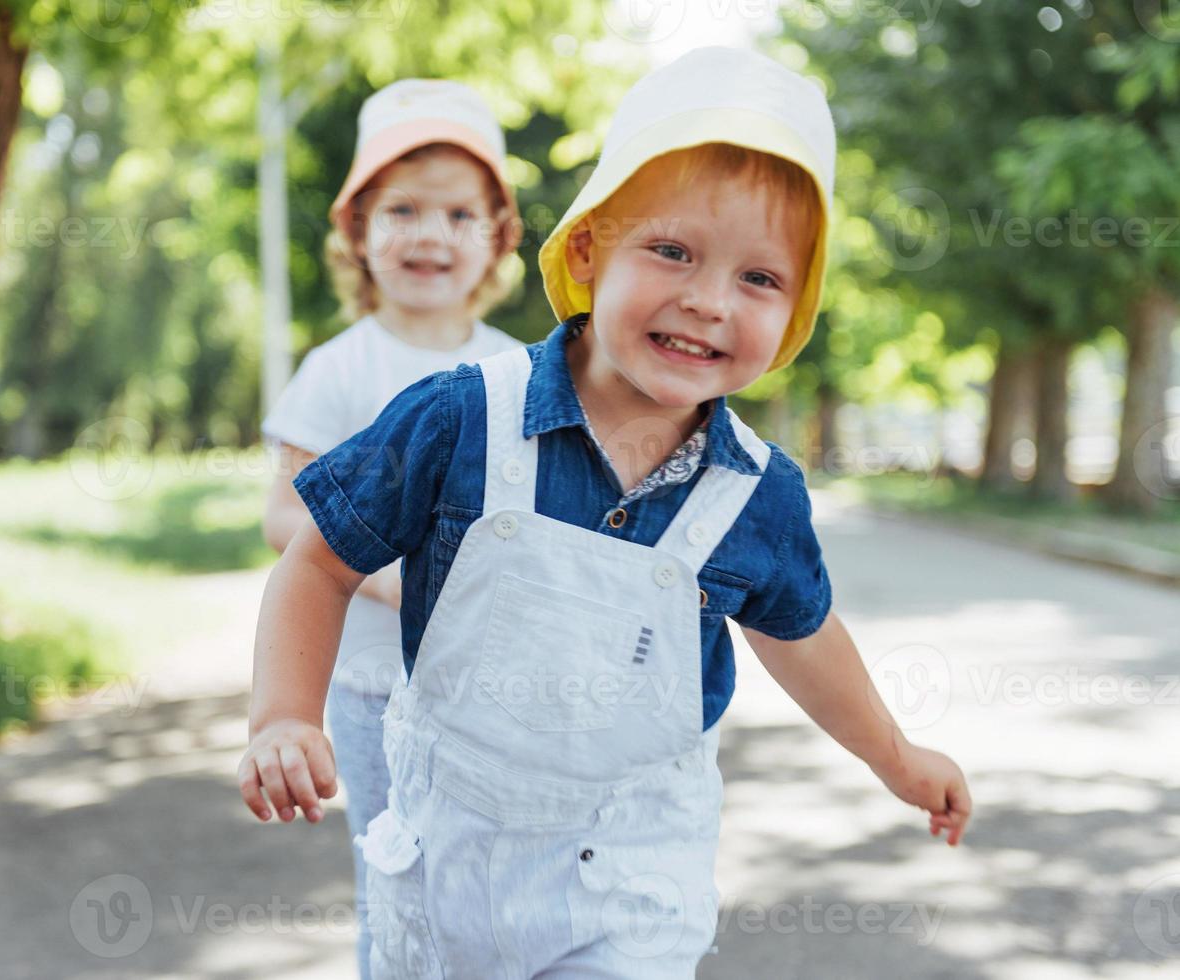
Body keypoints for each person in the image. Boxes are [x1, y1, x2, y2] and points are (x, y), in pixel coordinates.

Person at [240, 46, 973, 978]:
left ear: (795, 314)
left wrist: (896, 757)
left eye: (759, 278)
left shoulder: (756, 492)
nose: (708, 301)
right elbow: (317, 559)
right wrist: (282, 716)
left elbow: (801, 634)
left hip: (628, 882)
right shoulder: (461, 417)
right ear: (588, 251)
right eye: (671, 251)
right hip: (449, 876)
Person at [257, 77, 523, 978]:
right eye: (401, 209)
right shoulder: (339, 372)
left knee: (498, 879)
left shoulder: (516, 372)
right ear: (357, 231)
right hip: (376, 685)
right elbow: (286, 511)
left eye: (457, 214)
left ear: (497, 236)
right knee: (398, 878)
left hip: (494, 685)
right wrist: (394, 578)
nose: (428, 234)